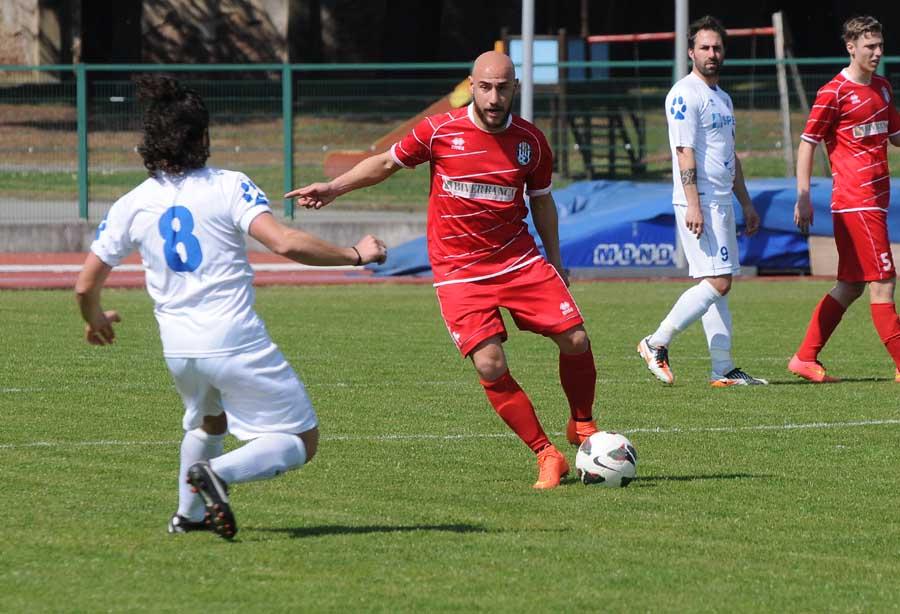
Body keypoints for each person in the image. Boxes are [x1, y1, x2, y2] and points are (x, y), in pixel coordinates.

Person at [74, 75, 387, 539]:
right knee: (302, 440)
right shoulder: (227, 186)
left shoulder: (132, 203)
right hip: (233, 338)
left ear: (152, 141)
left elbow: (84, 286)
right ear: (201, 138)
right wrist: (355, 255)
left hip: (179, 349)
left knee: (208, 421)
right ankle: (217, 476)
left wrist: (95, 318)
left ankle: (188, 516)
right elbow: (283, 242)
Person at [286, 51, 600, 489]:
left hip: (518, 259)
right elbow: (385, 163)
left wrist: (556, 259)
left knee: (576, 337)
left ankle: (583, 425)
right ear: (472, 86)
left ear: (515, 89)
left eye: (503, 88)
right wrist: (335, 188)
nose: (494, 97)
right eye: (486, 87)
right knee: (489, 364)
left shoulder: (531, 141)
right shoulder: (439, 131)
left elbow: (542, 200)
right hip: (459, 270)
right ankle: (547, 454)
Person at [637, 15, 767, 387]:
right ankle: (655, 341)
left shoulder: (722, 98)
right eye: (705, 47)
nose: (712, 53)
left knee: (718, 281)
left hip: (722, 199)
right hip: (702, 201)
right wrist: (693, 203)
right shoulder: (684, 94)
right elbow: (684, 152)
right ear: (691, 51)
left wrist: (746, 203)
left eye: (717, 47)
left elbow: (730, 155)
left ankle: (722, 368)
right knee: (719, 282)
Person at [789, 15, 900, 384]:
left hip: (875, 200)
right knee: (884, 281)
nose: (877, 52)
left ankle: (805, 357)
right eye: (870, 46)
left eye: (880, 45)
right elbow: (807, 144)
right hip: (856, 202)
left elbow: (895, 136)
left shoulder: (882, 88)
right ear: (851, 47)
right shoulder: (833, 92)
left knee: (851, 285)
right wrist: (803, 196)